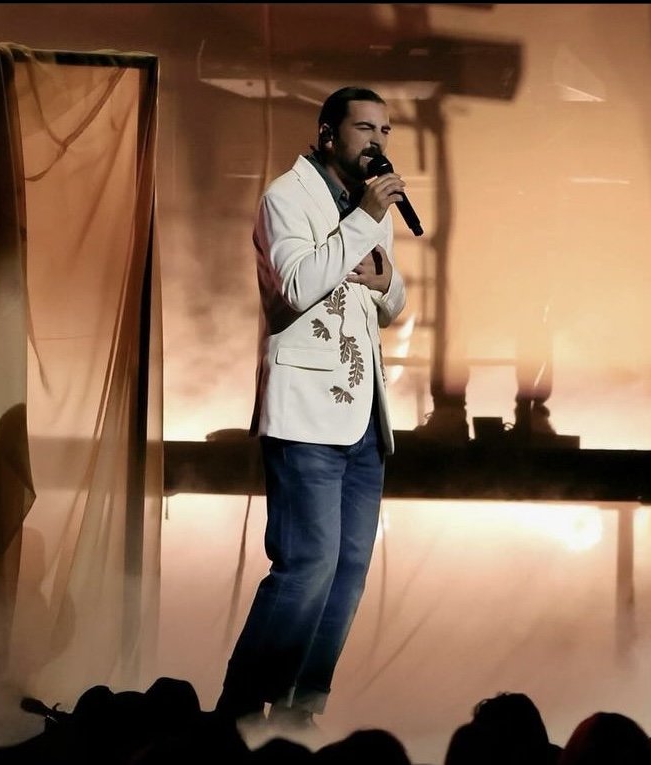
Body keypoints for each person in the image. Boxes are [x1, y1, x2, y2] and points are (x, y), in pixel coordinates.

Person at [215, 86, 407, 729]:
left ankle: (300, 709)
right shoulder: (285, 197)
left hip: (361, 415)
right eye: (364, 128)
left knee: (349, 571)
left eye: (385, 129)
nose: (377, 141)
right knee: (308, 564)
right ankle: (240, 710)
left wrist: (388, 285)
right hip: (305, 417)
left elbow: (392, 299)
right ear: (329, 134)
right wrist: (362, 222)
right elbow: (297, 284)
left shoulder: (367, 206)